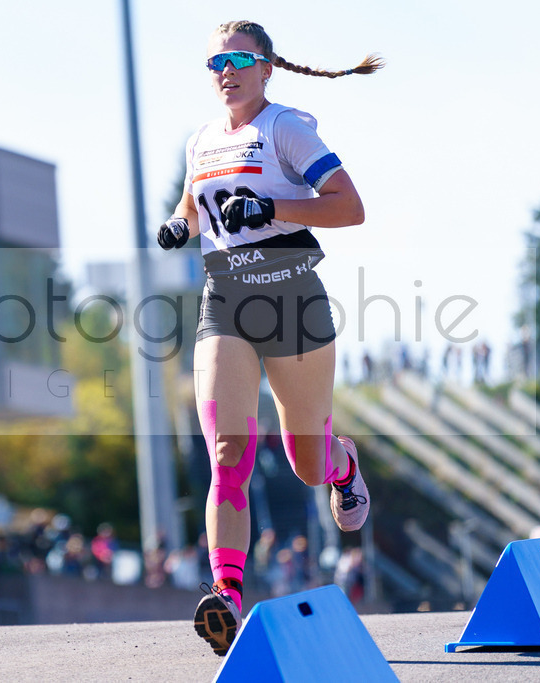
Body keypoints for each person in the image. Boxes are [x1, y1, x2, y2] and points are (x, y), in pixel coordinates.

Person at [156, 20, 382, 656]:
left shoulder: (286, 128)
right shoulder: (203, 140)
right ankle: (227, 593)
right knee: (229, 452)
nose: (226, 72)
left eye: (238, 60)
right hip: (225, 302)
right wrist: (178, 225)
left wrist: (272, 208)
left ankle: (341, 464)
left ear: (266, 68)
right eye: (216, 63)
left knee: (305, 462)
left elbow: (349, 206)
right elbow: (192, 206)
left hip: (293, 300)